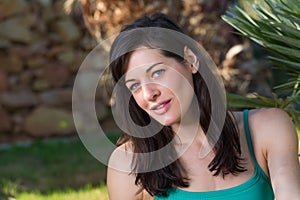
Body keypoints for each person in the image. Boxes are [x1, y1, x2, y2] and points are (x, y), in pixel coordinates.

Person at [106, 13, 300, 200]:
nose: (149, 94)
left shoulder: (267, 128)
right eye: (135, 85)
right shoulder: (129, 163)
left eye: (157, 73)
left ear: (190, 60)